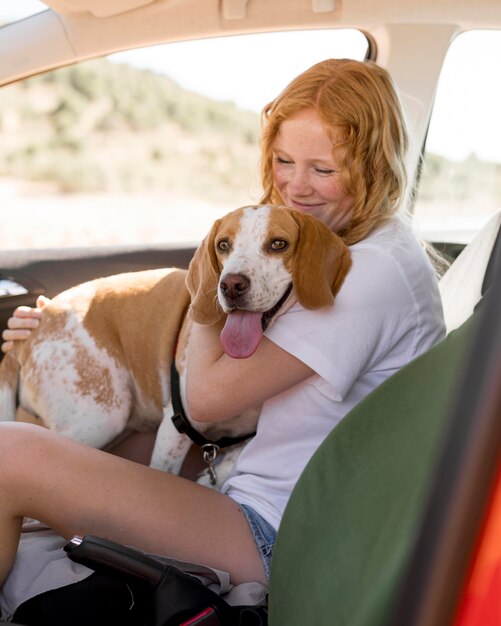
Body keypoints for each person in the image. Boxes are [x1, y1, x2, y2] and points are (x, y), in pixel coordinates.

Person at [0, 59, 445, 593]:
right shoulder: (357, 250)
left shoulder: (365, 272)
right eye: (283, 161)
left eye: (323, 170)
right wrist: (56, 330)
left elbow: (205, 400)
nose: (294, 188)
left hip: (278, 534)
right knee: (68, 442)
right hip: (262, 491)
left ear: (376, 165)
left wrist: (215, 277)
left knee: (10, 455)